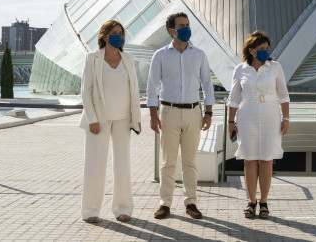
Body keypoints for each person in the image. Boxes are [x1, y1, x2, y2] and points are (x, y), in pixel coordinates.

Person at [146, 12, 215, 220]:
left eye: (187, 24)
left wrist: (209, 113)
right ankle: (164, 204)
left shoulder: (199, 54)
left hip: (194, 112)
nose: (186, 28)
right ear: (171, 31)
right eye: (181, 25)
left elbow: (207, 85)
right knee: (168, 162)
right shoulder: (160, 55)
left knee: (190, 162)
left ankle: (191, 203)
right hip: (169, 112)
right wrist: (152, 115)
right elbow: (151, 87)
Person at [78, 20, 142, 223]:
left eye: (121, 33)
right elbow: (85, 91)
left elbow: (135, 90)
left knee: (122, 164)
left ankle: (123, 208)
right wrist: (92, 119)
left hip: (124, 118)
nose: (119, 36)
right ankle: (91, 211)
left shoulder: (128, 59)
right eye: (115, 32)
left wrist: (136, 118)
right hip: (99, 120)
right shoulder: (92, 58)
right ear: (105, 36)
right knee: (95, 165)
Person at [226, 30, 290, 219]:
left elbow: (284, 95)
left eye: (267, 48)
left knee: (266, 160)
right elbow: (234, 98)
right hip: (247, 117)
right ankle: (251, 201)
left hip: (271, 117)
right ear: (252, 50)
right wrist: (231, 122)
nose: (265, 51)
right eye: (261, 48)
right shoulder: (240, 69)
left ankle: (264, 202)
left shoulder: (275, 67)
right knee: (250, 160)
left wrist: (286, 119)